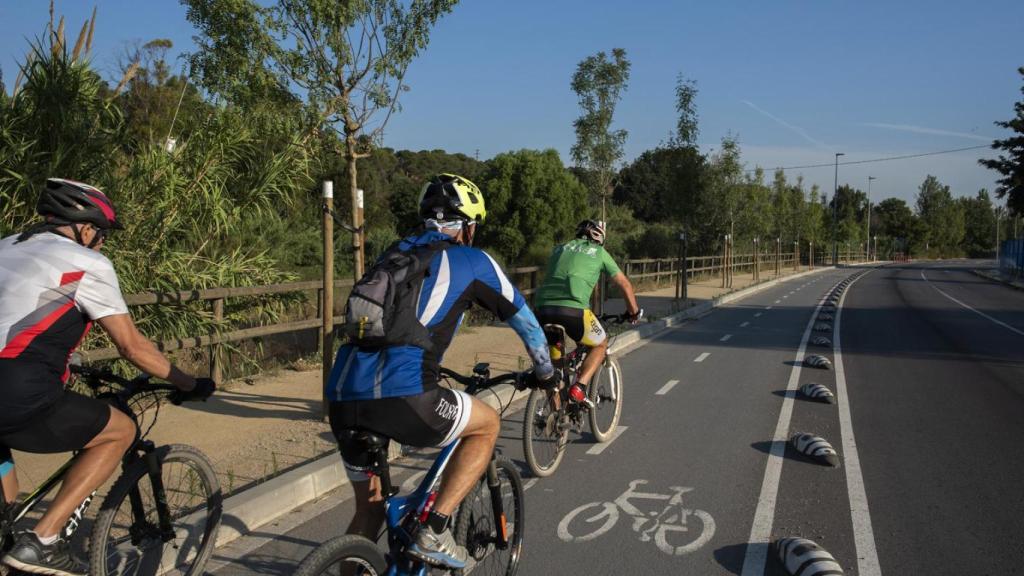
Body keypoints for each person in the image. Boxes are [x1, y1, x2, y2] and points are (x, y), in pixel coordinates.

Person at [325, 173, 554, 569]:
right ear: (468, 226)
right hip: (406, 393)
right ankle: (435, 527)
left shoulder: (394, 255)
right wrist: (546, 373)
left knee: (370, 510)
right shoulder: (473, 260)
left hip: (343, 394)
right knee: (486, 425)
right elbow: (525, 320)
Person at [0, 179, 214, 576]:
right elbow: (132, 347)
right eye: (101, 233)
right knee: (120, 430)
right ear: (84, 228)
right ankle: (44, 541)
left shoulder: (7, 245)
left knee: (6, 518)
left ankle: (12, 542)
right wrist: (189, 382)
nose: (102, 242)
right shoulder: (88, 263)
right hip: (16, 391)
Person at [534, 219, 641, 408]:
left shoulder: (559, 248)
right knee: (600, 344)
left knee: (555, 365)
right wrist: (633, 313)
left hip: (542, 309)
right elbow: (624, 284)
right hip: (573, 311)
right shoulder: (599, 253)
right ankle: (580, 387)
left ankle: (556, 415)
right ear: (599, 238)